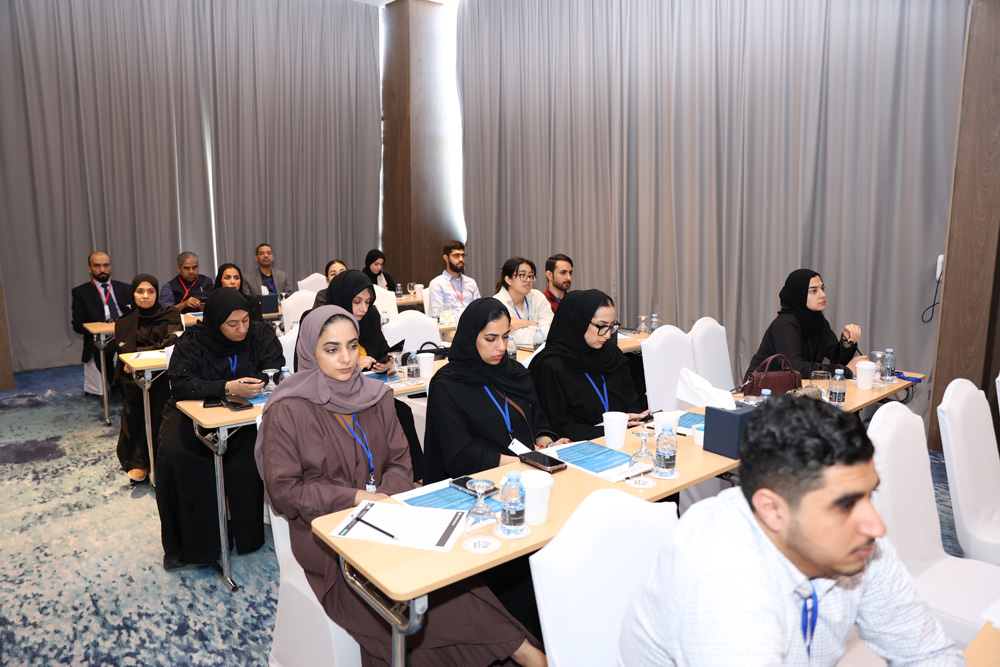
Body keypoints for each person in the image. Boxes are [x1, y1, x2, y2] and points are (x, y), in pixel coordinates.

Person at [256, 305, 546, 667]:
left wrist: (382, 500)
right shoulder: (287, 409)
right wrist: (358, 498)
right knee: (412, 596)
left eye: (353, 346)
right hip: (326, 536)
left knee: (448, 577)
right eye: (331, 349)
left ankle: (514, 650)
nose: (346, 359)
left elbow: (401, 464)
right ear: (309, 352)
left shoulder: (376, 396)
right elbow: (286, 491)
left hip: (390, 517)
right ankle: (522, 651)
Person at [617, 395, 963, 666]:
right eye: (845, 505)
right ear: (772, 510)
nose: (877, 525)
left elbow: (928, 654)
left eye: (869, 495)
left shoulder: (857, 541)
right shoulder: (723, 587)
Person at [154, 288, 283, 570]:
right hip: (191, 412)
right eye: (232, 324)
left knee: (249, 453)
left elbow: (274, 368)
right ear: (215, 321)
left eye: (245, 320)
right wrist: (226, 387)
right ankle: (192, 545)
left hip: (244, 415)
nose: (242, 329)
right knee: (177, 456)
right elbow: (182, 385)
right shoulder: (192, 342)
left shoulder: (260, 334)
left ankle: (246, 533)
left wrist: (256, 384)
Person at [425, 297, 568, 484]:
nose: (501, 347)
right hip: (476, 483)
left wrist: (548, 445)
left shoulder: (514, 373)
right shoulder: (448, 385)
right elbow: (461, 455)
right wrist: (522, 461)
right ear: (470, 337)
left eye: (506, 336)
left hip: (527, 474)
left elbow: (537, 422)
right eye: (490, 339)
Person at [304, 270, 425, 481]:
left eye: (368, 302)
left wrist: (386, 362)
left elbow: (382, 349)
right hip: (328, 397)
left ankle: (413, 478)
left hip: (362, 391)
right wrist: (352, 365)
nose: (363, 309)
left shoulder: (370, 316)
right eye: (357, 301)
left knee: (402, 411)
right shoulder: (318, 321)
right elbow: (307, 371)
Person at [529, 290, 648, 441]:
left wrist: (637, 418)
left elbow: (631, 401)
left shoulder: (612, 354)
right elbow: (559, 427)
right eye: (601, 326)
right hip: (580, 446)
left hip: (623, 438)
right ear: (578, 321)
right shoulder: (551, 366)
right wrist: (608, 431)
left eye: (611, 326)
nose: (608, 335)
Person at [113, 274, 182, 483]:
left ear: (157, 293)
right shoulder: (124, 321)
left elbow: (172, 341)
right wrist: (152, 350)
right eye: (140, 291)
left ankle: (163, 460)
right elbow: (126, 352)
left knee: (164, 404)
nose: (145, 296)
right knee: (136, 406)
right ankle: (138, 460)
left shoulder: (170, 314)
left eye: (150, 291)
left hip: (164, 375)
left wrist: (142, 352)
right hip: (136, 377)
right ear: (133, 294)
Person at [744, 269, 865, 384]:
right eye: (813, 291)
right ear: (799, 294)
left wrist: (846, 341)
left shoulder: (818, 322)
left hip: (795, 391)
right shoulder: (784, 324)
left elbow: (837, 359)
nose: (822, 295)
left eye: (822, 288)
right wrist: (845, 371)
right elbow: (796, 369)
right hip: (761, 392)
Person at [71, 251, 132, 400]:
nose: (102, 270)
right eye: (97, 266)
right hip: (100, 338)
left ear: (111, 267)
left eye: (106, 265)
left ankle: (133, 384)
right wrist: (101, 330)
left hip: (125, 333)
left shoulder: (126, 288)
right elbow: (78, 324)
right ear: (89, 269)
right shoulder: (80, 292)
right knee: (105, 350)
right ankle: (115, 384)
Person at [492, 257, 554, 343]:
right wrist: (538, 327)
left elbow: (552, 329)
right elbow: (514, 338)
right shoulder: (497, 303)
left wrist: (524, 323)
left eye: (531, 276)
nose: (528, 280)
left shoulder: (537, 296)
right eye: (522, 275)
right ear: (508, 279)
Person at [428, 240, 481, 314]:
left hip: (469, 321)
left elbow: (478, 309)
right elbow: (438, 314)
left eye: (463, 255)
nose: (461, 259)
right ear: (446, 258)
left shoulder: (471, 282)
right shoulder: (437, 284)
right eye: (456, 256)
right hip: (449, 321)